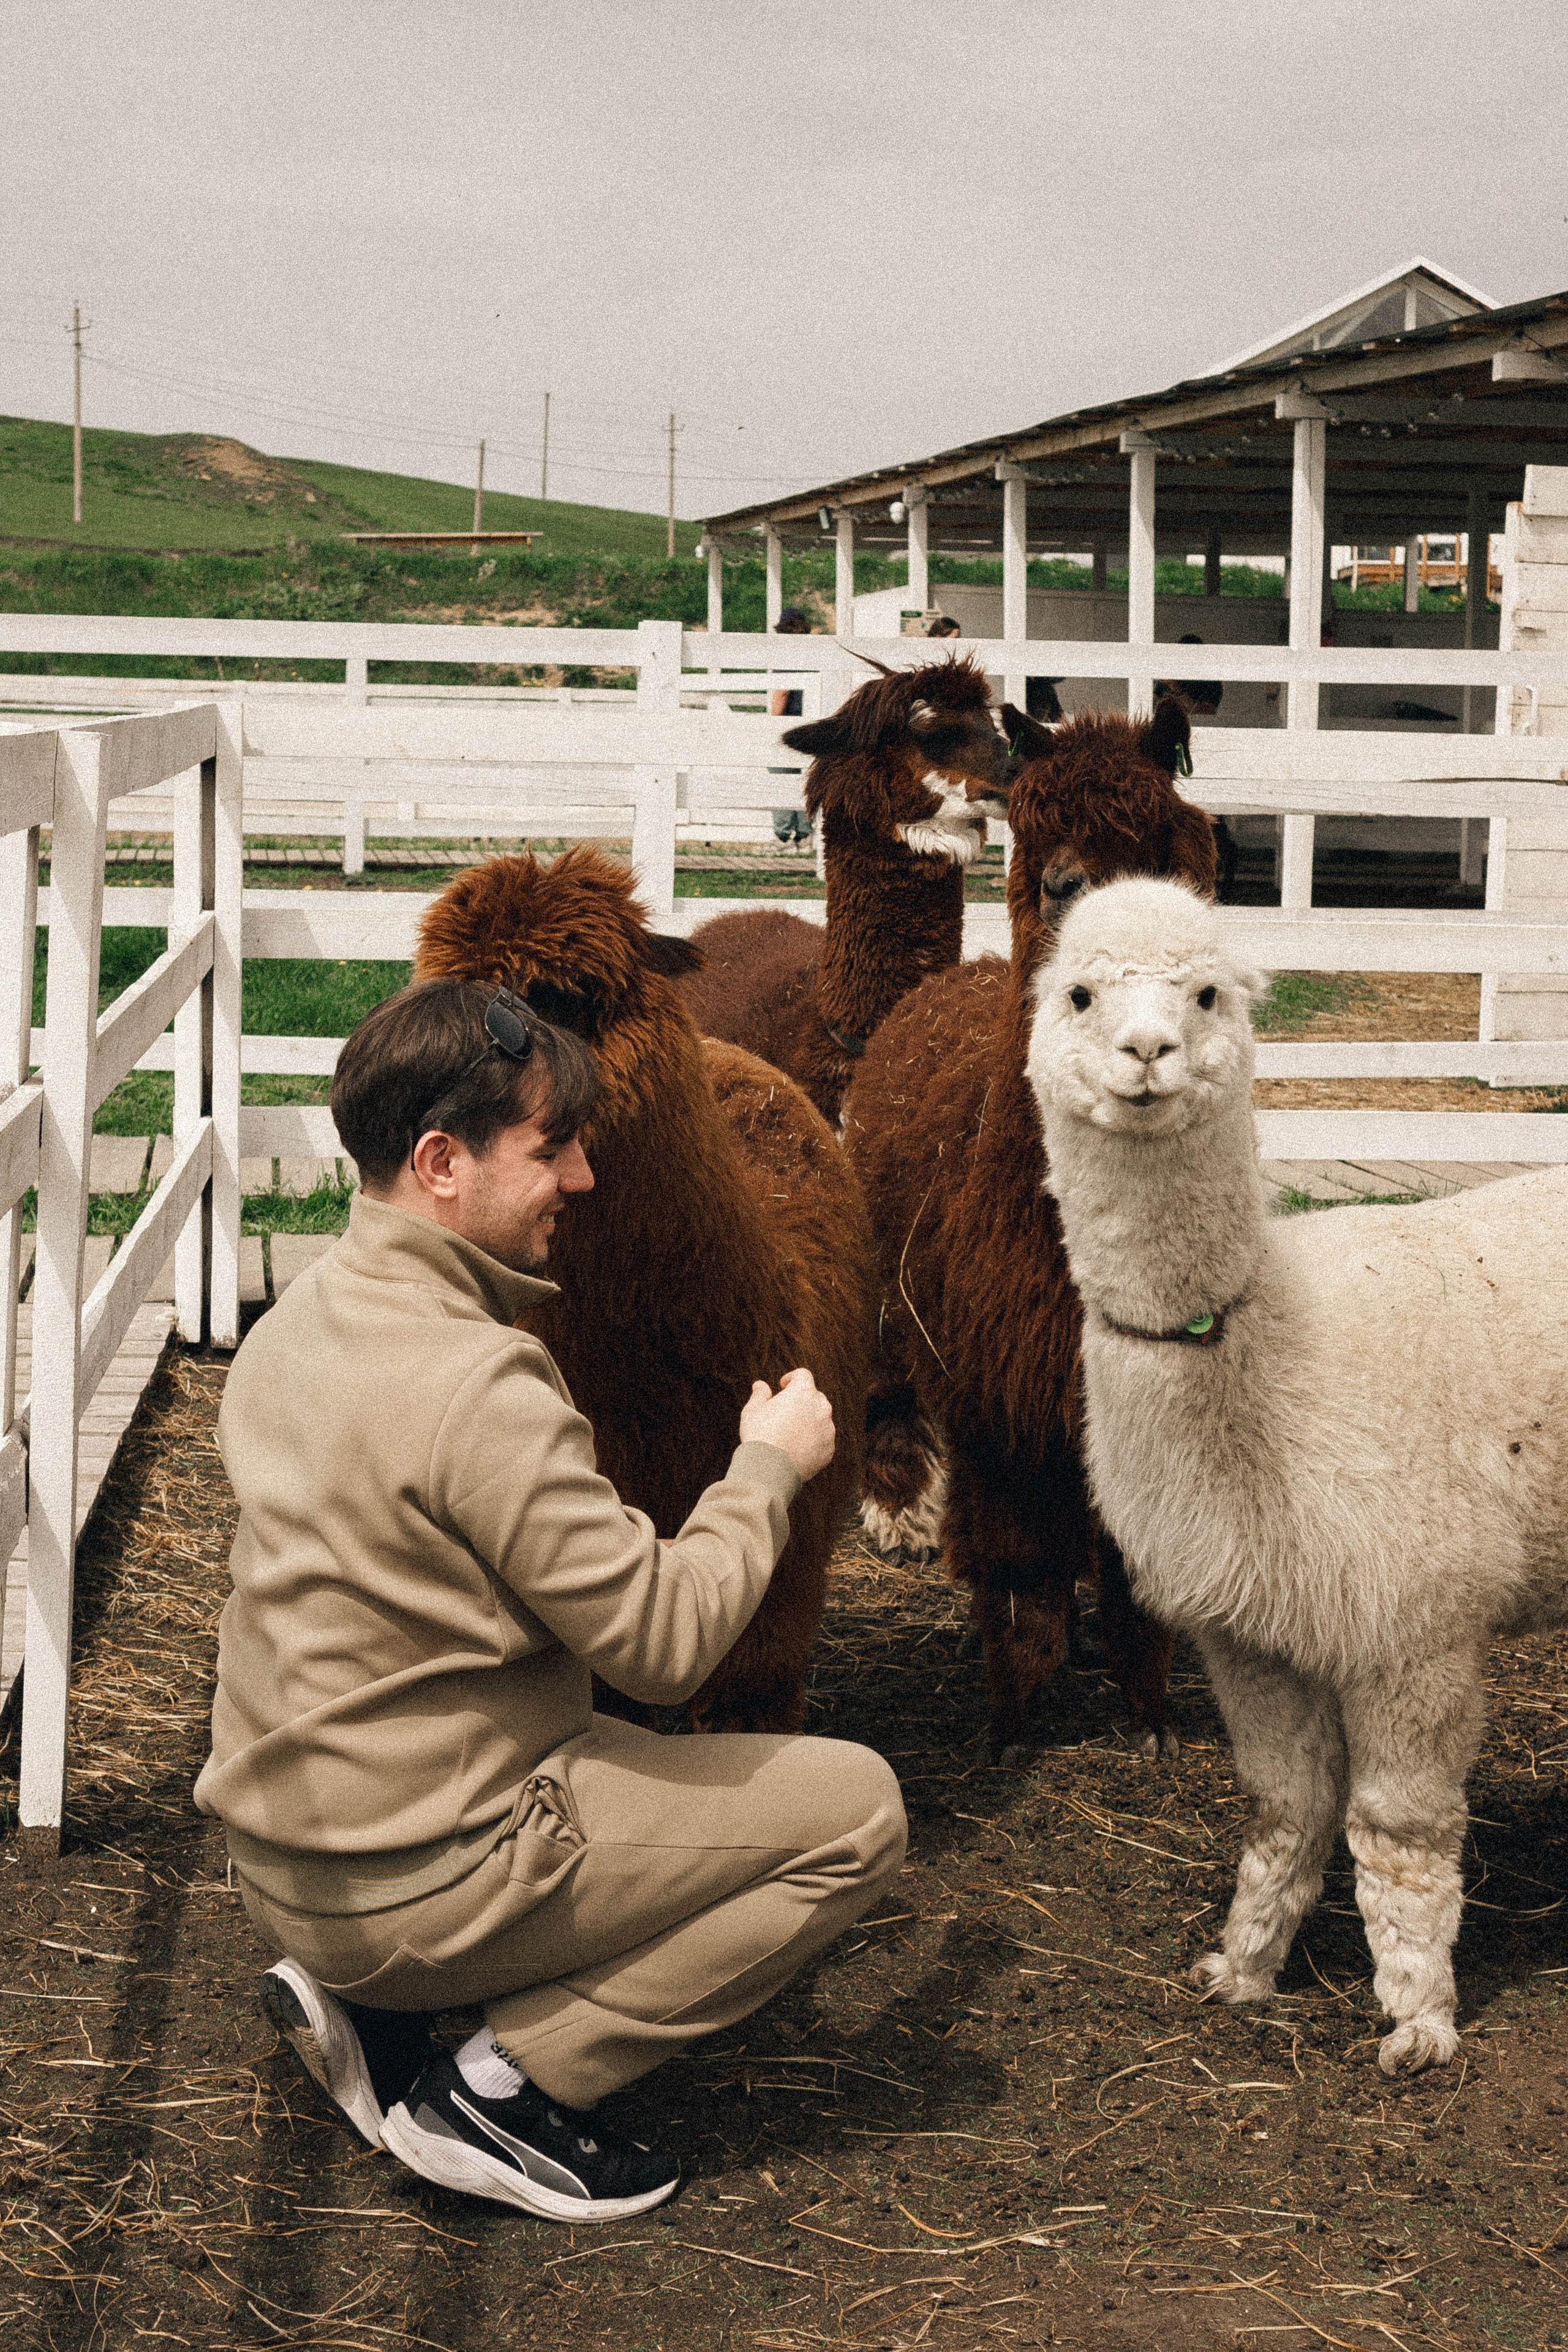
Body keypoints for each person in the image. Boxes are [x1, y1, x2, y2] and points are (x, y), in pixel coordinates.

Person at [196, 978, 905, 2222]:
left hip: (285, 1865)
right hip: (417, 1882)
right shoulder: (480, 1384)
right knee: (857, 1813)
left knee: (602, 1752)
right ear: (440, 1163)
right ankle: (503, 2087)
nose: (580, 1176)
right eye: (548, 1147)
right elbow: (665, 1645)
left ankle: (374, 2007)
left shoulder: (293, 1322)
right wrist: (766, 1469)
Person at [769, 606, 813, 844]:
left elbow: (782, 693)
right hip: (810, 720)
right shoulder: (812, 654)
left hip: (788, 722)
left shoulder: (786, 653)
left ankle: (783, 834)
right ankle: (805, 833)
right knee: (805, 777)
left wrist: (772, 722)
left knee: (780, 776)